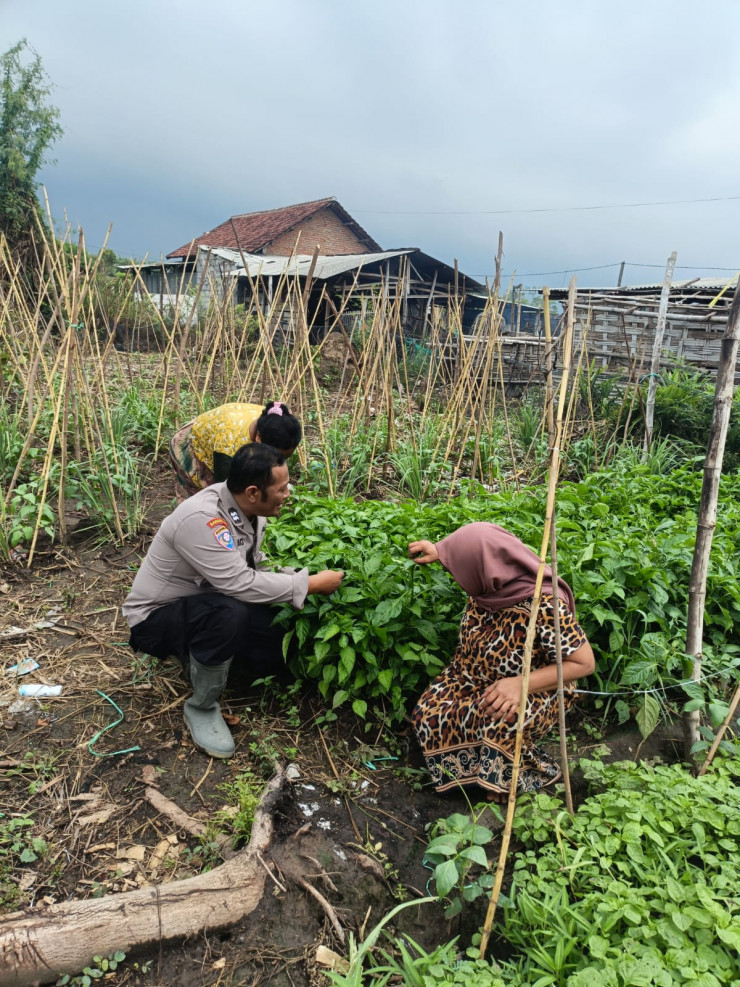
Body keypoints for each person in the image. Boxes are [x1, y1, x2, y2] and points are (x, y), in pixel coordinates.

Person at [123, 443, 343, 759]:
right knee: (230, 615)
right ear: (253, 492)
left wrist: (293, 577)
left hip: (205, 601)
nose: (288, 494)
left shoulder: (250, 511)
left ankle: (203, 657)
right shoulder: (203, 518)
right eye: (281, 489)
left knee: (274, 640)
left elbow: (253, 566)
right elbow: (238, 583)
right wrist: (310, 584)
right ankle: (201, 705)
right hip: (156, 619)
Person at [408, 522, 594, 802]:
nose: (457, 580)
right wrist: (441, 551)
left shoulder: (545, 605)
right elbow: (476, 549)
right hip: (472, 675)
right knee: (427, 713)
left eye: (460, 571)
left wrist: (520, 684)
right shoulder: (489, 588)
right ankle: (474, 772)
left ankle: (508, 777)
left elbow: (583, 664)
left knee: (502, 719)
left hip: (536, 686)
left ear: (485, 569)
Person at [169, 400, 302, 499]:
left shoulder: (275, 418)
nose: (280, 462)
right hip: (190, 444)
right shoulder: (228, 447)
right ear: (258, 437)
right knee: (204, 501)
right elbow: (227, 491)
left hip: (216, 429)